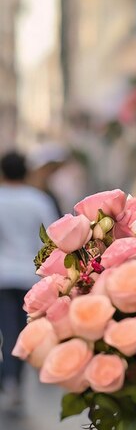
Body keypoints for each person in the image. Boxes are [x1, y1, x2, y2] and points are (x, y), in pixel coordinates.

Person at [0, 150, 58, 412]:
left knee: (7, 329)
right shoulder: (38, 200)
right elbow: (52, 237)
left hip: (2, 275)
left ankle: (10, 379)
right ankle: (13, 379)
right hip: (29, 276)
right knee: (24, 331)